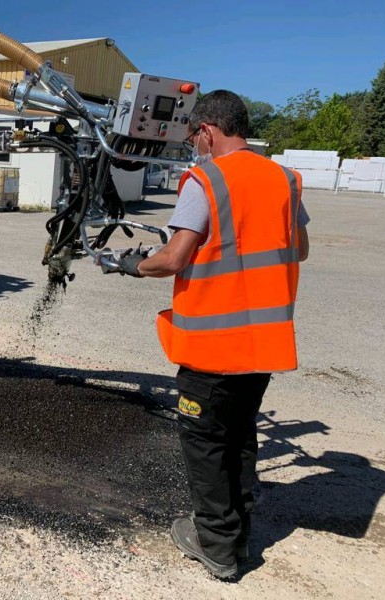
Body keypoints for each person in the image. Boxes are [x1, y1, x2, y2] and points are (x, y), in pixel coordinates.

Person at [116, 90, 310, 580]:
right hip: (262, 342)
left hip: (211, 344)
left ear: (207, 129)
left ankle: (216, 544)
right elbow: (299, 249)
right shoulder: (286, 179)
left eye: (194, 136)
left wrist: (133, 266)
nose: (194, 145)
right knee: (240, 436)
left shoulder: (206, 179)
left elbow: (175, 257)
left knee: (204, 443)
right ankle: (238, 531)